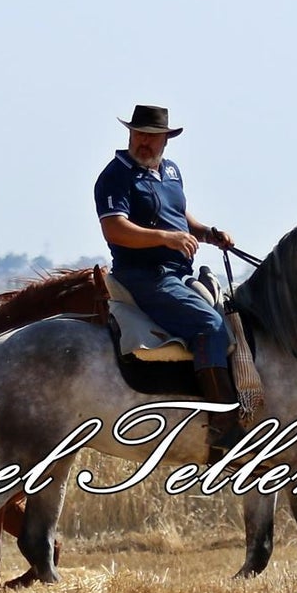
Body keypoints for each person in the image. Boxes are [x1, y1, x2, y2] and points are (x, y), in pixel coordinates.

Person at [93, 104, 242, 456]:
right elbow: (114, 228)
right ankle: (223, 427)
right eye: (139, 134)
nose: (144, 141)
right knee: (209, 324)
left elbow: (179, 215)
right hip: (144, 276)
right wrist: (165, 238)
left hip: (179, 273)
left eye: (152, 136)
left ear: (166, 139)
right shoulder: (115, 176)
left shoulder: (170, 171)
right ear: (129, 134)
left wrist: (207, 233)